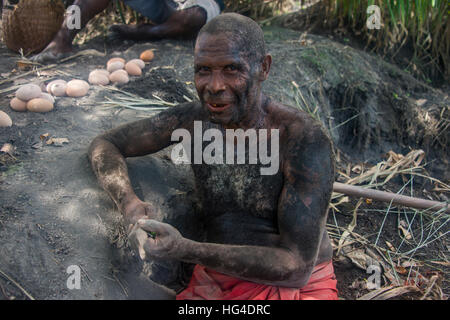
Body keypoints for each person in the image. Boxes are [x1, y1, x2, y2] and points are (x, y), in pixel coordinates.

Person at [88, 13, 338, 300]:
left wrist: (185, 249)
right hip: (215, 280)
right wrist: (129, 204)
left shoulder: (301, 137)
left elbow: (297, 269)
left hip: (294, 288)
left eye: (232, 69)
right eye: (203, 70)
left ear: (264, 67)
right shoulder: (191, 120)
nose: (215, 86)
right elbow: (106, 143)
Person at [32, 0, 224, 63]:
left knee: (193, 17)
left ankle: (146, 32)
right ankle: (62, 38)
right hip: (162, 4)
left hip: (196, 6)